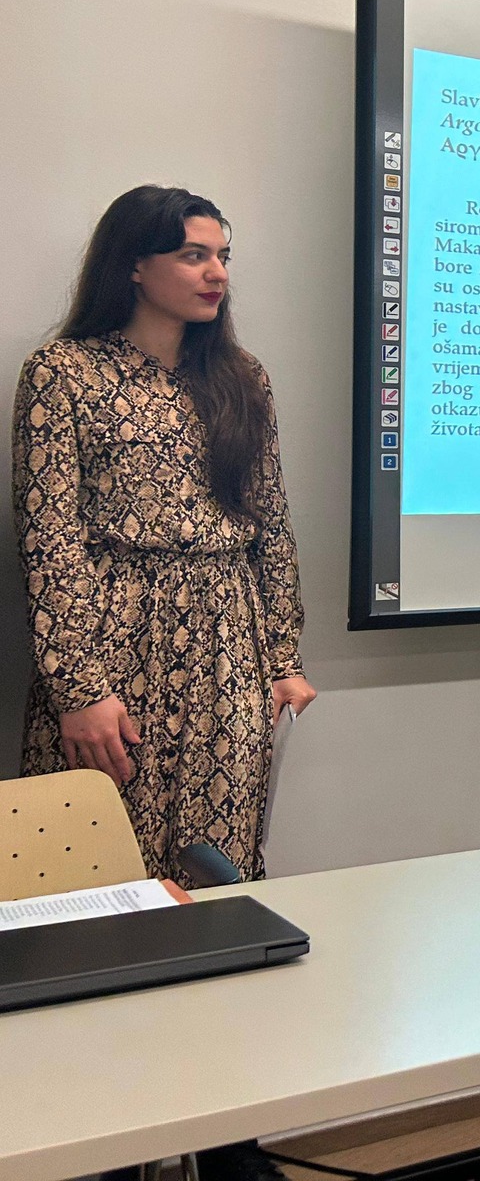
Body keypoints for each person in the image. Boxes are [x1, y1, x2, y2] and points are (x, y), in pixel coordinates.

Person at [14, 186, 311, 883]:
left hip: (228, 642)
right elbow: (49, 539)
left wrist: (283, 659)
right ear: (134, 265)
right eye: (193, 255)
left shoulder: (242, 379)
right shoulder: (64, 373)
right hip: (113, 636)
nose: (217, 273)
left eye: (223, 256)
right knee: (95, 868)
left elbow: (270, 524)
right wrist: (79, 689)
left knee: (217, 865)